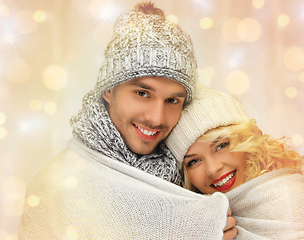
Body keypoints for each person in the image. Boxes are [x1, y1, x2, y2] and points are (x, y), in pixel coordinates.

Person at [19, 2, 237, 239]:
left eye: (173, 100)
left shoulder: (190, 166)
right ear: (108, 90)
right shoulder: (55, 187)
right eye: (142, 93)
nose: (156, 118)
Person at [166, 84, 304, 239]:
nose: (213, 169)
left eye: (221, 145)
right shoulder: (194, 225)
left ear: (246, 139)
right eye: (194, 161)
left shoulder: (288, 199)